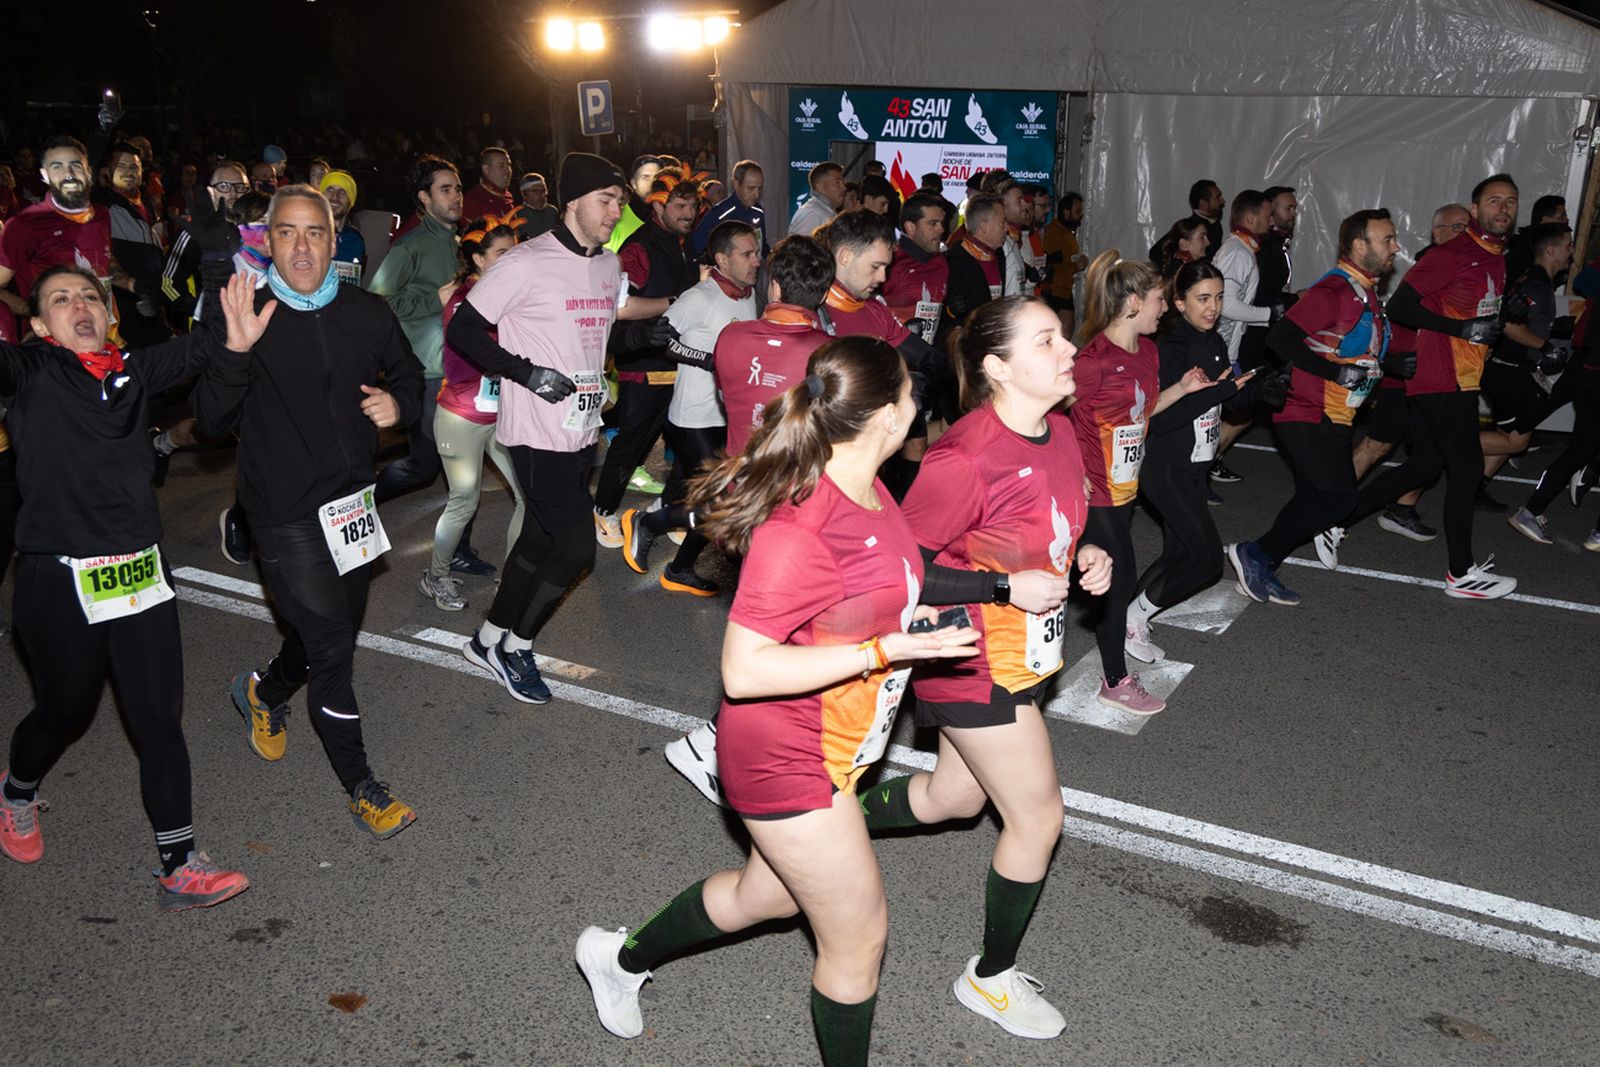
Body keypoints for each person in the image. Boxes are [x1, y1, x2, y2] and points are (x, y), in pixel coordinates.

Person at [576, 336, 980, 1066]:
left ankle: (619, 958)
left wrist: (906, 623)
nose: (922, 408)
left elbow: (874, 589)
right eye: (914, 397)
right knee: (858, 938)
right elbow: (744, 669)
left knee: (765, 897)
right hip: (785, 753)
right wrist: (883, 651)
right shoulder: (802, 527)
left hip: (841, 739)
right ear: (889, 414)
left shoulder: (873, 486)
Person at [0, 191, 264, 908]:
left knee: (156, 718)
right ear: (38, 322)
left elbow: (206, 346)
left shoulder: (130, 372)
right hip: (58, 581)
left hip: (140, 575)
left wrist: (226, 300)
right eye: (60, 299)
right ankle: (16, 787)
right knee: (64, 710)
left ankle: (179, 863)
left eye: (89, 296)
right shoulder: (28, 375)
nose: (79, 307)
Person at [868, 296, 1112, 1040]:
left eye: (1063, 334)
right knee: (1038, 818)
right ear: (998, 368)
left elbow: (1057, 521)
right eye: (1047, 340)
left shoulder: (1061, 427)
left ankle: (830, 824)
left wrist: (1086, 552)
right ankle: (990, 978)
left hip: (1021, 648)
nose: (1068, 348)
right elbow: (902, 572)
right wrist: (1002, 586)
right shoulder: (963, 455)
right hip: (970, 655)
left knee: (953, 797)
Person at [194, 184, 426, 837]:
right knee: (330, 646)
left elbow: (408, 374)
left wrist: (398, 406)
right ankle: (362, 786)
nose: (301, 245)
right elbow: (211, 419)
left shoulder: (365, 311)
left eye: (315, 232)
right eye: (287, 232)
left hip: (351, 503)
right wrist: (235, 351)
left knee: (333, 629)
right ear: (267, 241)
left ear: (334, 239)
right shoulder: (247, 311)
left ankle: (263, 693)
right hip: (281, 510)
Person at [446, 153, 630, 705]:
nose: (616, 210)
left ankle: (484, 640)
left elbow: (602, 331)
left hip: (582, 429)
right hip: (533, 430)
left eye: (619, 201)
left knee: (538, 537)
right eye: (606, 200)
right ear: (573, 201)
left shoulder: (610, 264)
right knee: (576, 549)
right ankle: (517, 647)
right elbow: (464, 329)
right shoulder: (524, 263)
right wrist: (526, 372)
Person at [1345, 175, 1520, 599]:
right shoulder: (1454, 253)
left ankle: (1333, 515)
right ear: (1474, 211)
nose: (1503, 208)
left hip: (1460, 375)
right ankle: (1461, 573)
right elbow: (1401, 305)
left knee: (1425, 465)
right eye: (1494, 201)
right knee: (1465, 467)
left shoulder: (1497, 256)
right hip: (1440, 375)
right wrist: (1461, 327)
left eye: (1511, 202)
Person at [1226, 209, 1404, 603]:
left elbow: (1352, 350)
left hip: (1337, 413)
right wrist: (1334, 375)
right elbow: (1282, 339)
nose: (1395, 247)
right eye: (1387, 240)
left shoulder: (1366, 290)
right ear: (1360, 246)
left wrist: (1388, 365)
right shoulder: (1334, 291)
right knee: (1339, 499)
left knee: (1313, 497)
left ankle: (1263, 563)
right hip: (1305, 409)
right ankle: (1253, 553)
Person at [1070, 251, 1210, 713]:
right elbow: (1052, 418)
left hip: (1126, 485)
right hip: (1097, 490)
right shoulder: (1089, 362)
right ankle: (1115, 680)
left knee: (1109, 579)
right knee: (1118, 579)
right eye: (1158, 299)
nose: (1165, 308)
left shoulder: (1146, 351)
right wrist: (1073, 475)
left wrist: (1181, 390)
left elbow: (1140, 412)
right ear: (1131, 303)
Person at [620, 219, 760, 593]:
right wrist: (709, 359)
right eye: (747, 254)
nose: (756, 261)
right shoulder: (698, 297)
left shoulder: (748, 294)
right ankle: (650, 524)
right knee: (723, 503)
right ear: (721, 259)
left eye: (757, 253)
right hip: (693, 417)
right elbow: (664, 341)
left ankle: (679, 569)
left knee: (708, 500)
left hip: (730, 415)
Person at [1126, 261, 1249, 658]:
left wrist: (1254, 391)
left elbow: (1222, 402)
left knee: (1178, 554)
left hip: (1195, 468)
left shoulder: (1212, 341)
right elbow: (1162, 420)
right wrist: (1222, 391)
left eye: (1218, 298)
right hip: (1165, 467)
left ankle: (1128, 618)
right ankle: (1133, 616)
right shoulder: (1170, 348)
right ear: (1178, 303)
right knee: (1206, 561)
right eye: (1202, 299)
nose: (1212, 307)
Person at [419, 218, 527, 611]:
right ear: (479, 259)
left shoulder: (513, 297)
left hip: (499, 417)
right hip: (461, 418)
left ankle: (510, 580)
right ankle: (436, 576)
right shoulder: (462, 302)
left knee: (526, 497)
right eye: (502, 252)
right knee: (463, 500)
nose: (511, 258)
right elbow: (470, 363)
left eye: (515, 250)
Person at [1349, 204, 1468, 544]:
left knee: (1431, 454)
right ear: (1438, 232)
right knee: (1379, 445)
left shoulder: (1465, 265)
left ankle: (1399, 508)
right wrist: (1390, 363)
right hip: (1406, 369)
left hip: (1436, 374)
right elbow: (1399, 312)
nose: (1464, 233)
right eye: (1456, 226)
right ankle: (1330, 506)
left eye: (1467, 227)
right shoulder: (1436, 262)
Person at [592, 178, 699, 548]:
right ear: (658, 208)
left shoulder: (681, 245)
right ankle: (602, 512)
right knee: (631, 445)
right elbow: (619, 308)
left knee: (690, 444)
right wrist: (675, 301)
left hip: (677, 362)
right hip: (644, 363)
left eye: (692, 206)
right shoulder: (640, 247)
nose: (688, 213)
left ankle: (666, 508)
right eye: (679, 207)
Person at [367, 156, 466, 538]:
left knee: (466, 461)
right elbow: (378, 301)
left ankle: (459, 548)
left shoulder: (458, 240)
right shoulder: (410, 247)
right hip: (426, 372)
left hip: (461, 368)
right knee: (424, 466)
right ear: (424, 197)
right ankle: (361, 499)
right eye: (445, 189)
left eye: (457, 188)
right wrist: (434, 301)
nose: (456, 196)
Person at [818, 209, 944, 497]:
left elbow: (927, 357)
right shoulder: (812, 309)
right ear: (845, 256)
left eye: (886, 267)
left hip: (872, 459)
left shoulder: (874, 309)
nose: (883, 276)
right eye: (875, 266)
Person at [1491, 223, 1575, 543]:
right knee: (1516, 442)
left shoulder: (1538, 281)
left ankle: (1474, 488)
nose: (1571, 251)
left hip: (1514, 369)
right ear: (1551, 250)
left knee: (1512, 437)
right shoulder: (1538, 285)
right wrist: (1544, 347)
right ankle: (1448, 447)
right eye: (1568, 245)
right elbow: (1510, 326)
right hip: (1509, 370)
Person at [0, 136, 122, 331]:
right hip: (54, 345)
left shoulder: (101, 214)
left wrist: (132, 284)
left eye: (75, 165)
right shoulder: (24, 224)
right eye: (57, 167)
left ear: (88, 172)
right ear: (44, 175)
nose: (69, 174)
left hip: (105, 334)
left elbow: (104, 262)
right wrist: (31, 310)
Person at [93, 140, 169, 348]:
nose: (129, 172)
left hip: (152, 307)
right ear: (107, 171)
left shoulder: (147, 207)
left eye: (134, 166)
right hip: (123, 312)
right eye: (121, 166)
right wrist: (103, 130)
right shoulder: (101, 205)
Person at [161, 161, 250, 323]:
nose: (233, 193)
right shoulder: (195, 232)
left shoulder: (259, 230)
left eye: (240, 187)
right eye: (224, 186)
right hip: (210, 334)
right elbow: (167, 283)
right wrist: (202, 310)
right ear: (211, 192)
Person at [881, 192, 950, 348]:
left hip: (931, 356)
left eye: (941, 223)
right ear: (910, 227)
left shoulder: (941, 261)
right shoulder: (889, 263)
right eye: (933, 223)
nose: (941, 229)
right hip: (894, 355)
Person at [692, 159, 767, 254]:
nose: (756, 194)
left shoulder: (758, 211)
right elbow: (696, 247)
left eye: (759, 188)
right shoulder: (720, 214)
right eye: (751, 188)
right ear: (736, 184)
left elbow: (763, 246)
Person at [1041, 192, 1086, 334]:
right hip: (1052, 292)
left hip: (1064, 291)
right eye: (1077, 211)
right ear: (1066, 212)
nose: (1081, 215)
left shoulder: (1068, 233)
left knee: (1066, 332)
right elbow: (1050, 265)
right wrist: (1076, 266)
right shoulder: (1053, 233)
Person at [605, 154, 663, 252]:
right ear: (633, 183)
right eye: (645, 178)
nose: (652, 183)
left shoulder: (671, 218)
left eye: (657, 178)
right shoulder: (617, 221)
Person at [318, 169, 366, 285]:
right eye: (330, 190)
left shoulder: (356, 239)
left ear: (351, 201)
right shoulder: (309, 234)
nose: (335, 197)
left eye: (343, 192)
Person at [789, 161, 844, 237]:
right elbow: (799, 248)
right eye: (837, 183)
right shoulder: (811, 214)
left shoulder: (823, 211)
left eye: (843, 182)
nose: (844, 188)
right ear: (820, 187)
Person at [462, 146, 516, 221]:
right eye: (501, 166)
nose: (508, 171)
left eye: (509, 165)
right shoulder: (473, 199)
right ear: (486, 169)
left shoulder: (508, 196)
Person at [513, 172, 559, 240]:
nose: (541, 195)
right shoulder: (517, 215)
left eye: (543, 190)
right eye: (535, 191)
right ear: (523, 194)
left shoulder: (552, 212)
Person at [1189, 179, 1224, 259]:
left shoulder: (1215, 224)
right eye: (1218, 198)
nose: (1223, 201)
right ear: (1204, 203)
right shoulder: (1189, 229)